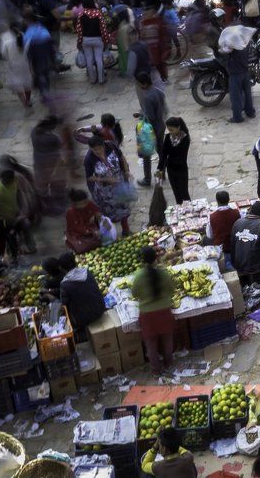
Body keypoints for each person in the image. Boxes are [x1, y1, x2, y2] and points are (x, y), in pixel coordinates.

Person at [131, 246, 176, 376]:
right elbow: (172, 290)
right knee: (167, 339)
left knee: (151, 344)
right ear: (156, 258)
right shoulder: (163, 273)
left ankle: (156, 370)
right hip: (164, 312)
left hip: (147, 315)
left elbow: (134, 294)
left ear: (142, 261)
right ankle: (169, 364)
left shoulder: (139, 276)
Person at [41, 253, 106, 331]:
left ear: (61, 268)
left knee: (54, 307)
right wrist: (51, 292)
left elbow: (62, 306)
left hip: (85, 319)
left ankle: (53, 329)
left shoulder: (65, 284)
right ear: (75, 262)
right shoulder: (87, 272)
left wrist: (50, 296)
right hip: (101, 308)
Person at [84, 136, 132, 236]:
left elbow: (121, 157)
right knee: (107, 211)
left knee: (123, 206)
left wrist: (126, 171)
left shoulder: (111, 145)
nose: (97, 151)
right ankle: (108, 233)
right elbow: (89, 177)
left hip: (119, 183)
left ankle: (126, 230)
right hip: (104, 190)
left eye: (99, 148)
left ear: (103, 145)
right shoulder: (89, 158)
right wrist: (105, 179)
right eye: (94, 149)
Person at [156, 117, 191, 204]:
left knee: (184, 194)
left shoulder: (185, 139)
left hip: (181, 169)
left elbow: (182, 156)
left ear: (178, 127)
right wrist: (160, 168)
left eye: (172, 130)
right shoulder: (168, 137)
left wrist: (169, 160)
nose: (170, 132)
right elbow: (163, 154)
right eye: (169, 130)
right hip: (171, 170)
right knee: (177, 194)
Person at [64, 189, 102, 254]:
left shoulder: (88, 204)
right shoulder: (70, 212)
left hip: (89, 227)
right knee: (80, 248)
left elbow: (97, 212)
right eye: (81, 203)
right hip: (77, 232)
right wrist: (91, 232)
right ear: (74, 204)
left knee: (98, 241)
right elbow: (76, 227)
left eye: (85, 202)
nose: (84, 204)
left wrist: (98, 216)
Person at [206, 191, 241, 258]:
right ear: (229, 200)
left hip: (221, 248)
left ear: (217, 201)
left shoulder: (212, 216)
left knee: (205, 239)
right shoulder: (237, 213)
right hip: (236, 244)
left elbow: (210, 236)